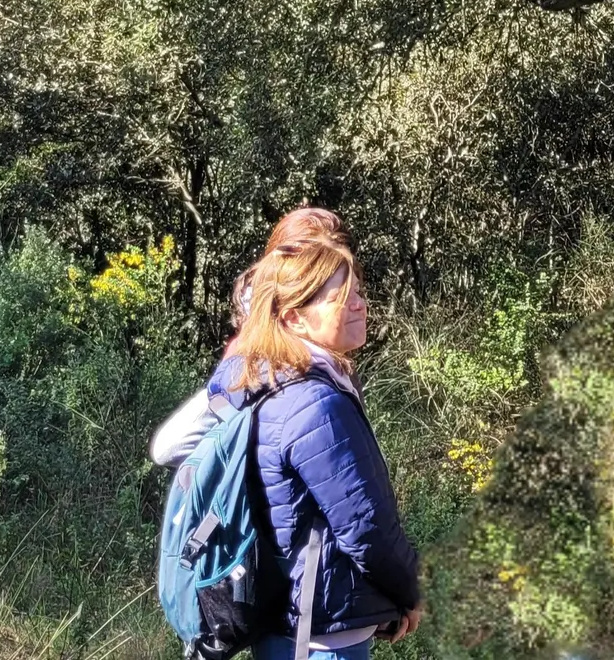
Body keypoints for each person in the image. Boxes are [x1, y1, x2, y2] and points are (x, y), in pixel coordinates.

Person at [229, 235, 424, 656]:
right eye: (341, 297)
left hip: (291, 623)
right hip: (318, 638)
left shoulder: (268, 380)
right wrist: (413, 591)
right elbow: (366, 528)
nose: (360, 304)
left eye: (358, 292)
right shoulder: (316, 404)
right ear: (295, 318)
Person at [150, 206, 349, 466]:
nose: (350, 300)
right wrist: (264, 458)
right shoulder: (255, 356)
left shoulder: (329, 360)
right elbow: (169, 446)